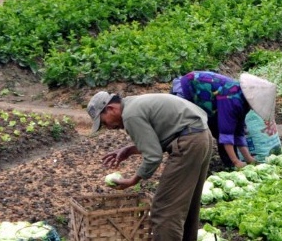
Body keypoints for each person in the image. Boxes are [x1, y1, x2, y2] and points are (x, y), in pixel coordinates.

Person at [89, 91, 213, 241]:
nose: (108, 127)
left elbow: (153, 157)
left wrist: (132, 181)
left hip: (189, 142)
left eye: (104, 122)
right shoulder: (134, 103)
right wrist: (130, 150)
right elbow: (162, 136)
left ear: (110, 109)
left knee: (164, 210)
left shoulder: (130, 115)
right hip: (201, 136)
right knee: (187, 207)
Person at [170, 71, 278, 168]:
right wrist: (236, 162)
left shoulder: (242, 101)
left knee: (226, 128)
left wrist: (249, 159)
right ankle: (185, 164)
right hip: (187, 90)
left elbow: (238, 131)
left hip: (208, 100)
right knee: (192, 132)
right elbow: (226, 132)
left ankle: (229, 163)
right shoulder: (232, 100)